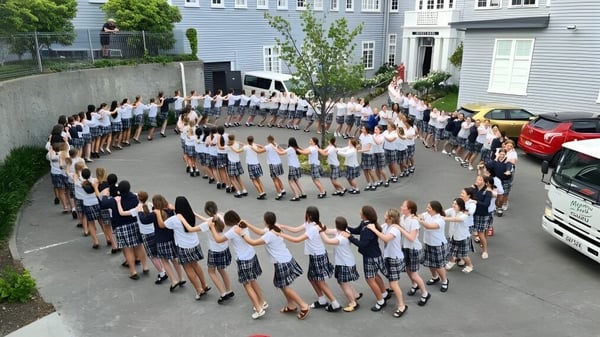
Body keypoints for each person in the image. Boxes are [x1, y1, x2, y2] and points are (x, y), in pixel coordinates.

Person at [241, 212, 311, 320]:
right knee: (281, 285)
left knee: (285, 286)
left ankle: (303, 306)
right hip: (285, 259)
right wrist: (248, 224)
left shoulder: (269, 234)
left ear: (266, 222)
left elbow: (253, 242)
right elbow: (260, 232)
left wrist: (242, 234)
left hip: (281, 262)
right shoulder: (275, 227)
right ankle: (291, 305)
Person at [278, 206, 341, 312]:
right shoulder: (309, 224)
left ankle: (335, 303)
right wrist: (282, 226)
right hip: (314, 255)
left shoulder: (314, 228)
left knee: (320, 281)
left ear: (309, 215)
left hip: (318, 256)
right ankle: (322, 300)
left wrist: (280, 234)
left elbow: (297, 239)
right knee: (311, 277)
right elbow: (295, 230)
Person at [209, 210, 268, 319]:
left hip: (243, 260)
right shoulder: (243, 225)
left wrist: (212, 227)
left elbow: (218, 239)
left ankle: (258, 309)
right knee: (253, 280)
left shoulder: (232, 231)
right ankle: (262, 301)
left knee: (247, 284)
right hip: (252, 255)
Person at [365, 208, 409, 317]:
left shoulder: (394, 229)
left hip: (395, 258)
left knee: (394, 283)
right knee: (391, 280)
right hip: (389, 257)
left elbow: (385, 238)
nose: (384, 216)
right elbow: (379, 229)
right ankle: (390, 292)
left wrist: (373, 229)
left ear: (391, 218)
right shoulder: (386, 226)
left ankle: (401, 306)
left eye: (385, 215)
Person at [346, 205, 390, 312]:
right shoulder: (366, 224)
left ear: (364, 215)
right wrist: (346, 228)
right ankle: (384, 293)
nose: (359, 212)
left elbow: (362, 244)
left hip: (370, 257)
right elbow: (357, 230)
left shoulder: (367, 230)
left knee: (370, 279)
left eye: (361, 211)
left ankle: (380, 301)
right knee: (375, 275)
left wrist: (349, 237)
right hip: (375, 254)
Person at [319, 216, 362, 312]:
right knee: (344, 282)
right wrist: (319, 224)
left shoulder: (341, 238)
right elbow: (328, 231)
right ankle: (355, 294)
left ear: (337, 225)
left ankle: (353, 302)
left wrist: (320, 231)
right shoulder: (343, 231)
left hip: (344, 263)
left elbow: (328, 241)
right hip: (345, 262)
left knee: (343, 283)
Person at [417, 201, 449, 293]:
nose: (427, 209)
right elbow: (420, 215)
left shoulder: (440, 219)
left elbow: (430, 226)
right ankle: (435, 277)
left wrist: (420, 221)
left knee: (439, 265)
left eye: (429, 208)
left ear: (435, 210)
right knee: (430, 263)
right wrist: (417, 217)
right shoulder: (427, 214)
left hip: (438, 244)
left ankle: (444, 281)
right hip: (428, 243)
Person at [443, 198, 475, 273]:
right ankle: (452, 261)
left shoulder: (464, 214)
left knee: (464, 254)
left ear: (460, 206)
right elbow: (444, 213)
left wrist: (443, 218)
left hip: (462, 237)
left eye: (455, 204)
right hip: (453, 236)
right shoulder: (452, 210)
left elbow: (457, 219)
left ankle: (470, 265)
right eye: (453, 203)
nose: (453, 205)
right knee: (451, 251)